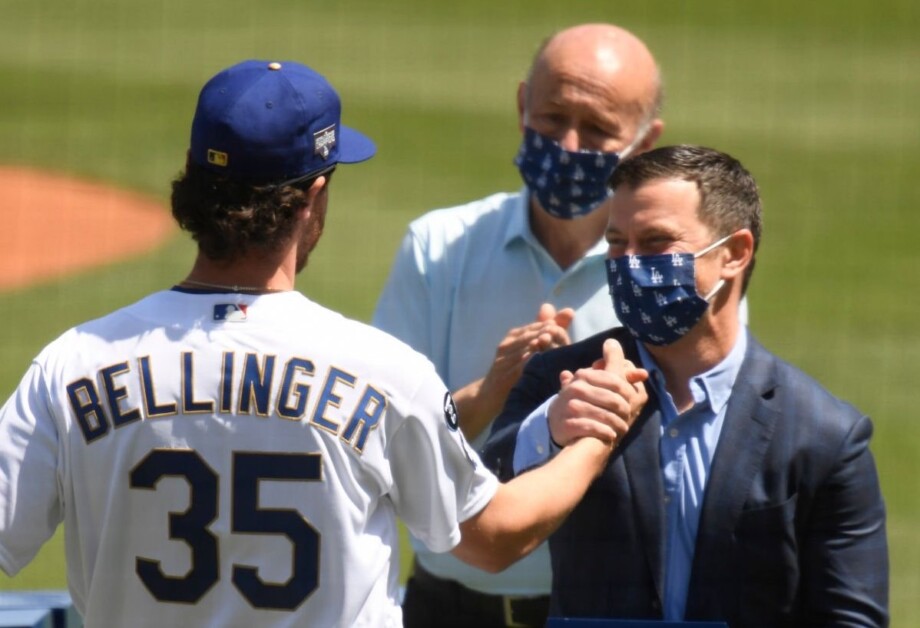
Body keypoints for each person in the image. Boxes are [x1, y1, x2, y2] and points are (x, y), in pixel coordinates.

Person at [0, 60, 646, 628]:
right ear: (314, 196)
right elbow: (492, 539)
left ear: (194, 185)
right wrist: (595, 433)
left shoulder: (73, 364)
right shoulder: (384, 372)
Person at [483, 144, 890, 626]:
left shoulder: (825, 436)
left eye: (655, 243)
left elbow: (852, 619)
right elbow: (475, 508)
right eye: (616, 243)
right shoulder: (564, 380)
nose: (629, 264)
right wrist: (550, 427)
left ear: (734, 254)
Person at [373, 23, 665, 626]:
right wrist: (491, 392)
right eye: (553, 116)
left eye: (600, 129)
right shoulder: (439, 247)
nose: (568, 143)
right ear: (521, 107)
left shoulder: (669, 272)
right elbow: (381, 439)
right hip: (446, 605)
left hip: (599, 610)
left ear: (644, 142)